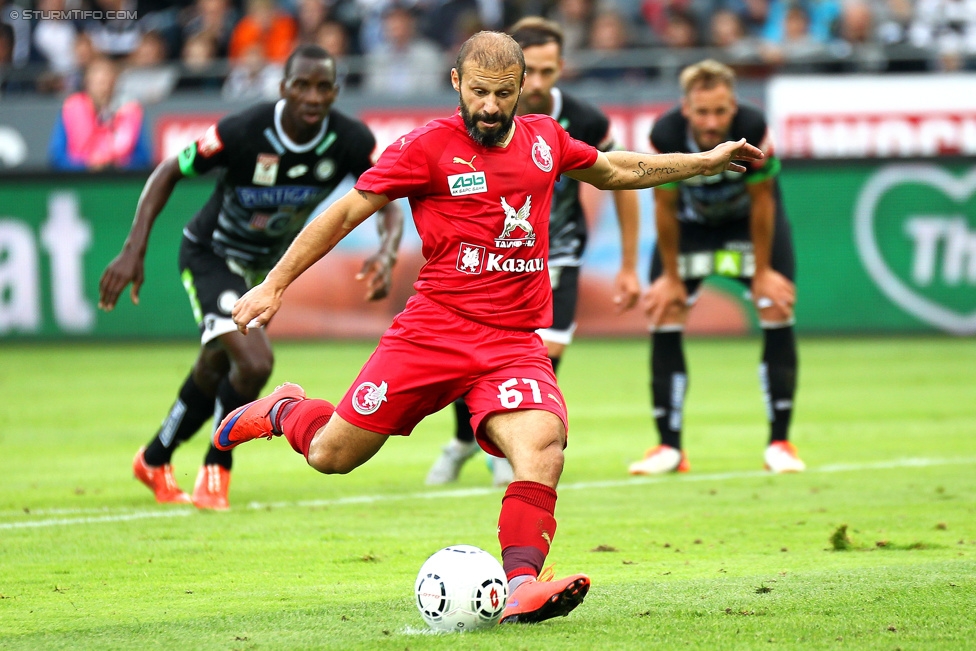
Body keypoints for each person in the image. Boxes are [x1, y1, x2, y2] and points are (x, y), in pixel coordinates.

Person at [213, 31, 760, 624]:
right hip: (433, 332)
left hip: (512, 343)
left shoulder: (546, 141)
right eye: (479, 92)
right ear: (457, 85)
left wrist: (704, 163)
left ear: (523, 89)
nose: (492, 106)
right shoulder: (425, 148)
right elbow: (347, 211)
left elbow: (616, 170)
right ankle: (286, 410)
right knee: (330, 456)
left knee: (543, 449)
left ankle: (521, 586)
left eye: (503, 93)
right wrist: (275, 283)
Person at [98, 44, 403, 510]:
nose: (313, 95)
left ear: (336, 91)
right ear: (284, 88)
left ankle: (155, 458)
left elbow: (387, 194)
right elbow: (168, 170)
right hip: (211, 254)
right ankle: (217, 465)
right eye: (302, 85)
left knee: (217, 365)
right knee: (255, 363)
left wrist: (386, 250)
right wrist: (132, 248)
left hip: (262, 272)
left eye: (323, 87)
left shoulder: (349, 140)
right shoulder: (244, 130)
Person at [425, 16, 641, 488]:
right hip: (487, 260)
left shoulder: (582, 121)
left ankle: (507, 440)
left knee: (548, 348)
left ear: (559, 68)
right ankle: (466, 440)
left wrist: (627, 264)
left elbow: (620, 179)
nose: (538, 84)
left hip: (555, 253)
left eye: (547, 72)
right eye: (532, 72)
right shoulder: (482, 118)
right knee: (477, 350)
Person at [628, 59, 805, 476]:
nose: (711, 122)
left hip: (748, 228)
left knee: (776, 305)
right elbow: (664, 204)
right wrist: (671, 277)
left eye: (720, 111)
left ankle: (780, 443)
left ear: (734, 107)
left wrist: (762, 271)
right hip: (690, 229)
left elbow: (765, 201)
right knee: (663, 309)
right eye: (702, 112)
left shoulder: (754, 126)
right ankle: (669, 448)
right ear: (686, 108)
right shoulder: (666, 134)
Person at [48, 56, 152, 171]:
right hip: (80, 182)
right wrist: (87, 164)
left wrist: (117, 164)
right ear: (87, 82)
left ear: (115, 82)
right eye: (99, 82)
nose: (103, 88)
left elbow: (143, 158)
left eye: (108, 81)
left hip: (118, 181)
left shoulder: (130, 112)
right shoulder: (71, 109)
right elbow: (58, 158)